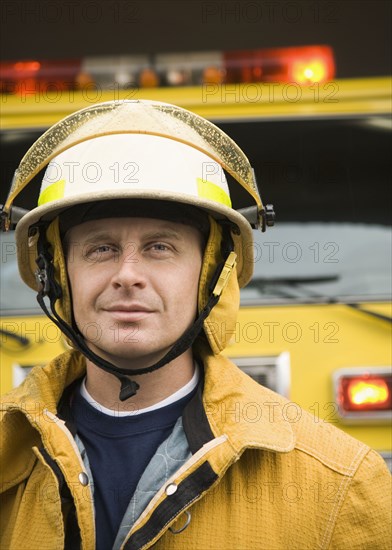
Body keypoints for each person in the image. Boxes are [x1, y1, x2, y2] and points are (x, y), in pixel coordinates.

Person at [0, 100, 390, 550]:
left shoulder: (340, 482)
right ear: (56, 275)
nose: (128, 274)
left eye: (160, 247)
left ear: (212, 275)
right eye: (100, 248)